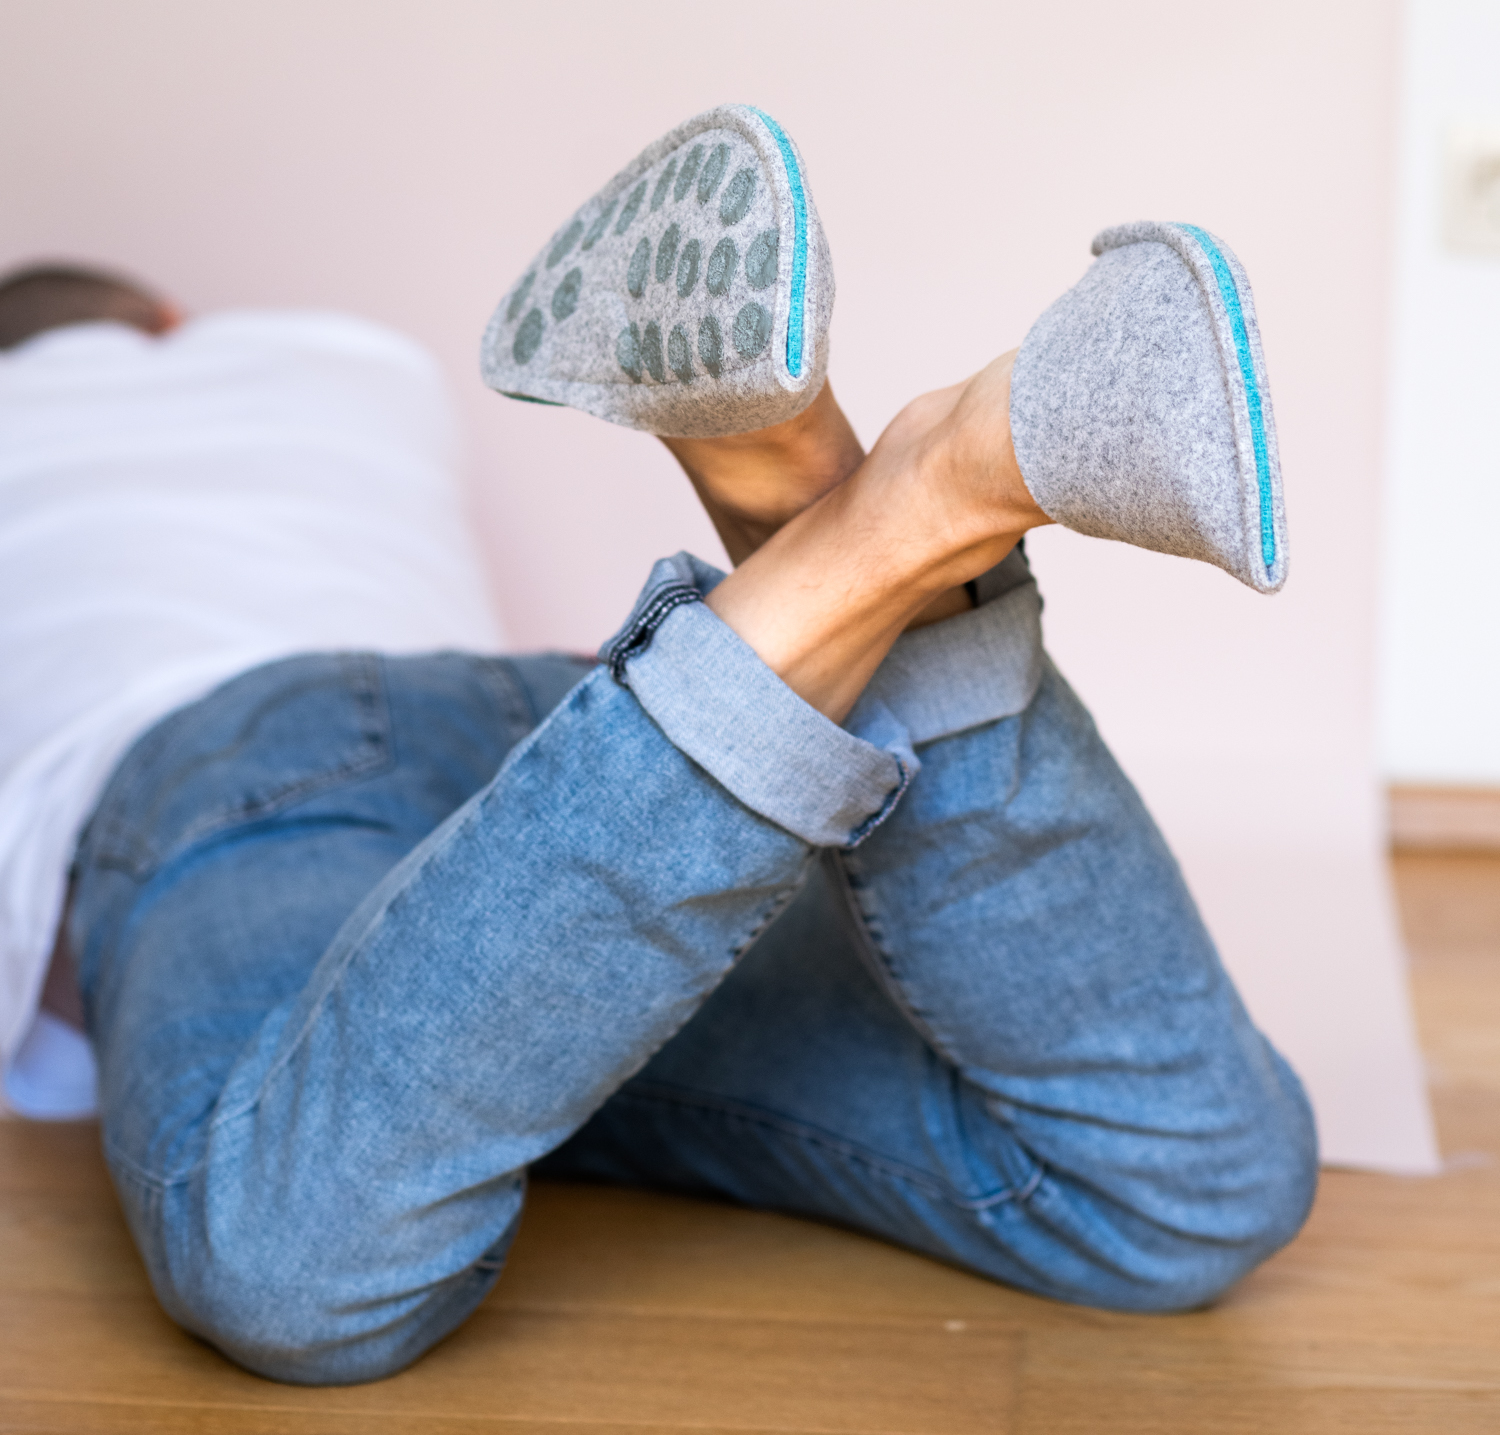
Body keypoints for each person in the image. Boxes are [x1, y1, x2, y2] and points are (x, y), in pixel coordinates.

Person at [0, 106, 1316, 1388]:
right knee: (1188, 1195)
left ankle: (868, 528)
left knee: (293, 1266)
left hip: (236, 767)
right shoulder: (343, 369)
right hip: (565, 747)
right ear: (168, 322)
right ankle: (876, 500)